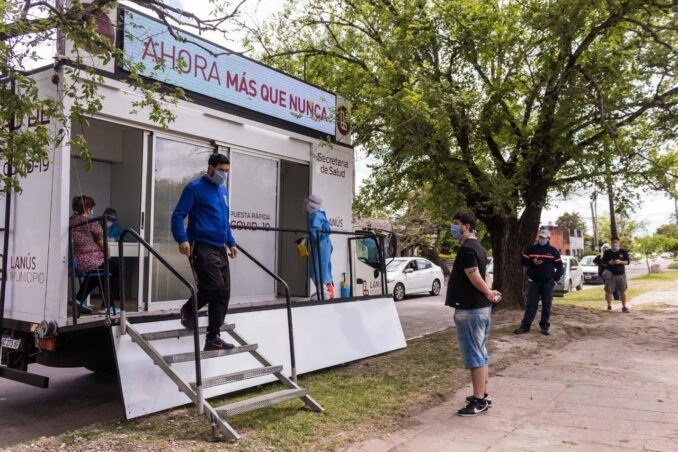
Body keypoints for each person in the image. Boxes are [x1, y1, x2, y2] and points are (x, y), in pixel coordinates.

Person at [171, 153, 238, 351]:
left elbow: (224, 221)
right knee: (214, 286)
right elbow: (178, 215)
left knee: (224, 293)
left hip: (219, 247)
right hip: (201, 245)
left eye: (227, 171)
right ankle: (188, 310)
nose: (224, 174)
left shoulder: (222, 190)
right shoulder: (194, 188)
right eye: (221, 170)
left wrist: (231, 243)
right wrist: (182, 239)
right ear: (210, 168)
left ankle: (213, 338)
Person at [445, 210, 501, 416]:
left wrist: (487, 292)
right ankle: (483, 395)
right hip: (479, 309)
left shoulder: (468, 249)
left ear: (466, 226)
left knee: (475, 355)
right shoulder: (479, 248)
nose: (453, 227)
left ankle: (479, 401)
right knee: (481, 352)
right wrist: (490, 292)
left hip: (470, 309)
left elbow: (475, 275)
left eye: (456, 223)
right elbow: (487, 274)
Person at [70, 195, 120, 315]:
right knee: (116, 267)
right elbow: (103, 243)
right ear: (88, 209)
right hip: (91, 260)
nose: (92, 211)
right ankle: (106, 307)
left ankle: (79, 298)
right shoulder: (91, 222)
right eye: (92, 208)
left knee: (100, 273)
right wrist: (108, 257)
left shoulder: (70, 220)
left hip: (77, 262)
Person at [514, 228, 564, 336]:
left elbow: (560, 267)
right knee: (531, 305)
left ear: (548, 238)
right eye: (540, 237)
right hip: (534, 282)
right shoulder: (531, 249)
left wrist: (555, 279)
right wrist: (533, 262)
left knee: (547, 305)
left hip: (548, 283)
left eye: (544, 238)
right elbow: (524, 261)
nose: (542, 239)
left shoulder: (553, 251)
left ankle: (544, 327)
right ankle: (525, 326)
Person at [305, 194, 333, 299]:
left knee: (319, 267)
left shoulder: (316, 216)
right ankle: (320, 290)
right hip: (322, 244)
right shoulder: (319, 214)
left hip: (321, 245)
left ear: (311, 205)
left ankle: (322, 291)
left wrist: (305, 238)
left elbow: (315, 233)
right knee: (319, 266)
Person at [602, 237, 630, 312]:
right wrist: (609, 262)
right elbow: (603, 262)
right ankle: (609, 306)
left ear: (619, 242)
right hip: (610, 275)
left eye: (616, 242)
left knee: (623, 291)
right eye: (613, 242)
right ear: (611, 243)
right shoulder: (607, 252)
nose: (614, 244)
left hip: (621, 275)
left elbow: (627, 262)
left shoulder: (623, 251)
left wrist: (620, 261)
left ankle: (624, 307)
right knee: (609, 291)